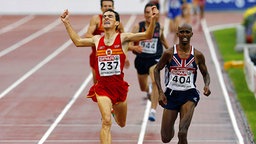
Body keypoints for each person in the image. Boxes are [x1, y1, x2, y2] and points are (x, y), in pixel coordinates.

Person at [60, 7, 159, 144]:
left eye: (110, 16)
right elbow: (77, 41)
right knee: (106, 122)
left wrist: (153, 20)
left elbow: (147, 35)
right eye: (105, 16)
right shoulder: (96, 39)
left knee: (122, 123)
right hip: (102, 89)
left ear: (117, 23)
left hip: (119, 89)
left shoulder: (123, 38)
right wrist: (66, 23)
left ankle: (114, 110)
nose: (106, 18)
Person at [154, 23, 211, 143]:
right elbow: (156, 69)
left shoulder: (197, 55)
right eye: (182, 32)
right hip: (171, 94)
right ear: (177, 34)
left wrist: (207, 85)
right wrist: (160, 92)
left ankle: (181, 135)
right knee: (166, 138)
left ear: (191, 34)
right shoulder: (169, 53)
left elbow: (205, 74)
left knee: (183, 132)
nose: (184, 34)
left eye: (187, 32)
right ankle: (172, 129)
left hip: (189, 94)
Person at [129, 3, 170, 122]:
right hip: (141, 60)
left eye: (152, 13)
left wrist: (172, 53)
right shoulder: (138, 27)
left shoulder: (159, 27)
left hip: (155, 59)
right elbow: (129, 43)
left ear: (156, 15)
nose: (149, 15)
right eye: (147, 12)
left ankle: (153, 111)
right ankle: (149, 91)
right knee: (143, 87)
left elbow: (163, 41)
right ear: (144, 14)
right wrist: (133, 48)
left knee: (155, 80)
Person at [84, 0, 128, 84]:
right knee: (97, 84)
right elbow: (88, 35)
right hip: (97, 55)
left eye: (109, 6)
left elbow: (124, 40)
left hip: (113, 56)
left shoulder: (118, 23)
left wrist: (126, 56)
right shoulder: (96, 19)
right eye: (105, 6)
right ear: (101, 8)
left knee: (114, 82)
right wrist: (102, 40)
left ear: (113, 7)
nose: (107, 8)